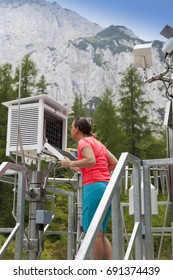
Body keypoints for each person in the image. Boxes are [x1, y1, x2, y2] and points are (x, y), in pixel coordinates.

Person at [61, 117, 118, 260]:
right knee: (101, 233)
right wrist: (91, 170)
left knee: (93, 232)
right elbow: (114, 163)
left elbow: (91, 160)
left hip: (93, 186)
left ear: (77, 129)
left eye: (71, 127)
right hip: (106, 186)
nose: (70, 130)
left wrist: (69, 163)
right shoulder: (98, 143)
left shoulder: (83, 142)